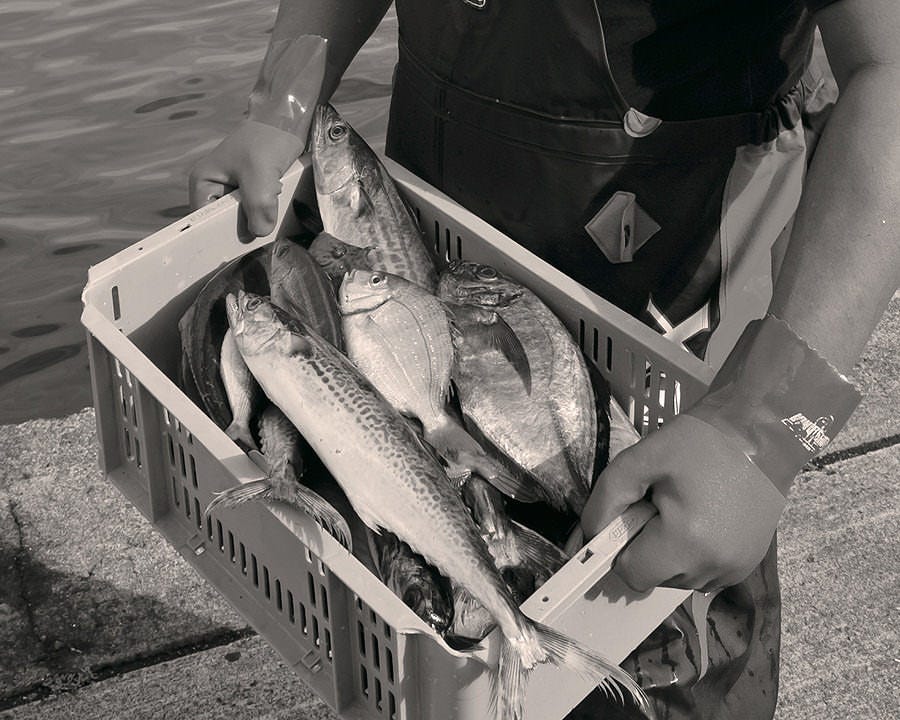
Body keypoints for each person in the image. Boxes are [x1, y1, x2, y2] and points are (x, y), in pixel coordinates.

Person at [189, 2, 900, 718]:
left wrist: (761, 426)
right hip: (432, 242)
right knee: (428, 657)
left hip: (671, 310)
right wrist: (282, 101)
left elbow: (890, 68)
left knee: (651, 653)